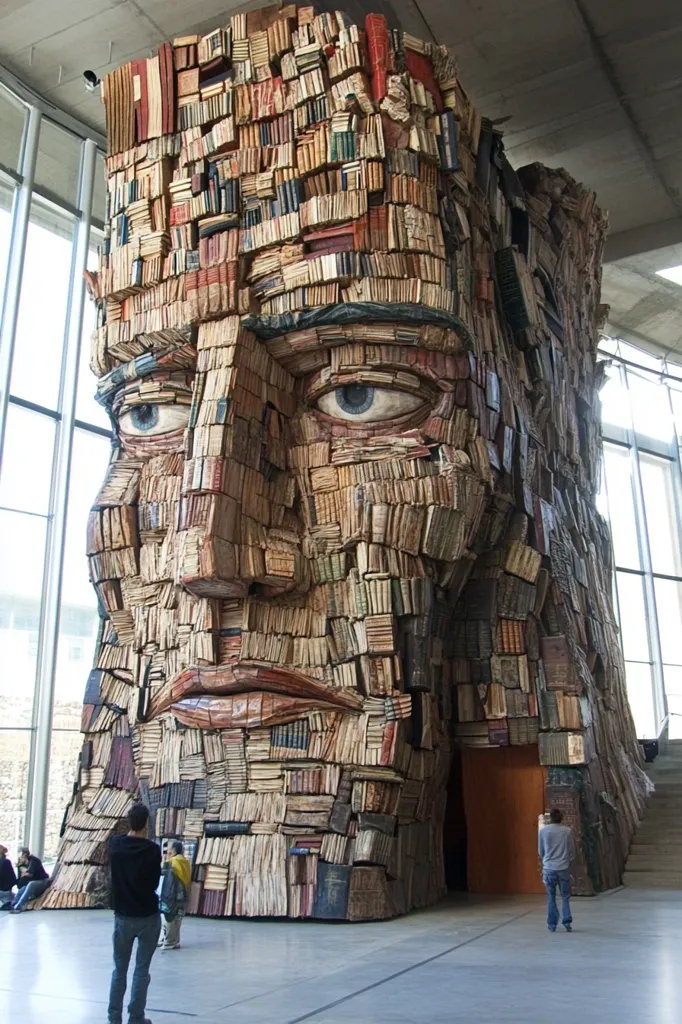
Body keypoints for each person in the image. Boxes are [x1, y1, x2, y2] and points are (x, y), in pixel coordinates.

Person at [108, 803, 162, 1024]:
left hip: (122, 916)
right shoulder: (152, 850)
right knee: (142, 970)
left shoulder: (115, 845)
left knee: (119, 971)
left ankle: (114, 1018)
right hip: (147, 916)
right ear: (146, 824)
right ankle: (136, 1018)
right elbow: (154, 883)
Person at [539, 808, 575, 933]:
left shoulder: (543, 831)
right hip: (563, 868)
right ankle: (567, 921)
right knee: (565, 896)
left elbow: (541, 851)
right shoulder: (567, 831)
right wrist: (568, 860)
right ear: (561, 818)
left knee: (551, 896)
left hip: (549, 868)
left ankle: (552, 924)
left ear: (550, 818)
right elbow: (572, 850)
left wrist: (547, 861)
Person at [159, 841, 191, 950]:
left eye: (170, 850)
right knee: (178, 919)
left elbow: (163, 873)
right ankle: (176, 940)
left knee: (169, 919)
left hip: (173, 895)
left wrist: (163, 861)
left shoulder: (172, 862)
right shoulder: (186, 862)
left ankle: (168, 942)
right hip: (184, 895)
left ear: (174, 850)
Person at [11, 846, 49, 912]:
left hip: (41, 881)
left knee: (31, 884)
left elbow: (31, 874)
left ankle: (19, 906)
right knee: (22, 889)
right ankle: (14, 904)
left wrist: (25, 873)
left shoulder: (33, 860)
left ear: (25, 855)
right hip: (30, 883)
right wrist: (21, 868)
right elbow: (20, 882)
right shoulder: (21, 865)